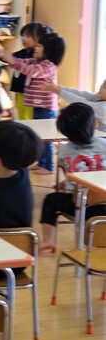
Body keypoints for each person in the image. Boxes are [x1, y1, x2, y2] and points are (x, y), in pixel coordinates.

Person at [0, 32, 65, 174]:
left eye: (39, 46)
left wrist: (12, 60)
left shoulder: (49, 66)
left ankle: (48, 166)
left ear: (49, 51)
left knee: (46, 138)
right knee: (39, 135)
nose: (36, 48)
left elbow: (31, 71)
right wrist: (2, 54)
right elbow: (21, 62)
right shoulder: (37, 61)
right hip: (38, 106)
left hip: (46, 107)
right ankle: (42, 163)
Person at [39, 103, 106, 253]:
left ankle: (48, 239)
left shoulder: (64, 151)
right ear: (95, 124)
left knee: (50, 200)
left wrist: (65, 183)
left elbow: (71, 174)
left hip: (78, 205)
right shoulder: (104, 145)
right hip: (103, 204)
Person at [11, 22, 53, 120]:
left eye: (28, 36)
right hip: (20, 90)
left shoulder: (40, 57)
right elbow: (12, 58)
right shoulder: (22, 53)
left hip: (31, 94)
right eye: (23, 36)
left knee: (29, 117)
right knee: (22, 114)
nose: (23, 39)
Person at [41, 77, 106, 133]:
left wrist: (58, 91)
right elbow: (80, 94)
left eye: (105, 87)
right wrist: (58, 87)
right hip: (90, 135)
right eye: (103, 85)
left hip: (100, 139)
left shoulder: (103, 109)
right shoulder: (98, 97)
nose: (101, 87)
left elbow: (81, 102)